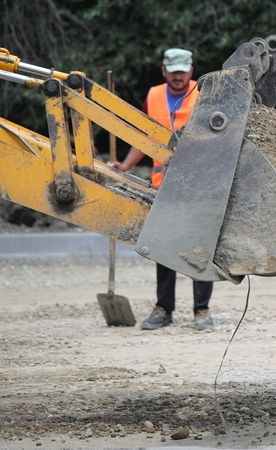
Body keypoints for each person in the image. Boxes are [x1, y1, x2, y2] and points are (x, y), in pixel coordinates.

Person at [109, 48, 214, 331]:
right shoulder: (154, 96)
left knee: (199, 249)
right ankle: (163, 309)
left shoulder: (204, 94)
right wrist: (125, 167)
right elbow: (145, 137)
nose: (178, 76)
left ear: (191, 71)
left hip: (198, 186)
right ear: (164, 70)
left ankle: (201, 311)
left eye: (183, 71)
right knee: (163, 248)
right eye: (173, 71)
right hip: (163, 188)